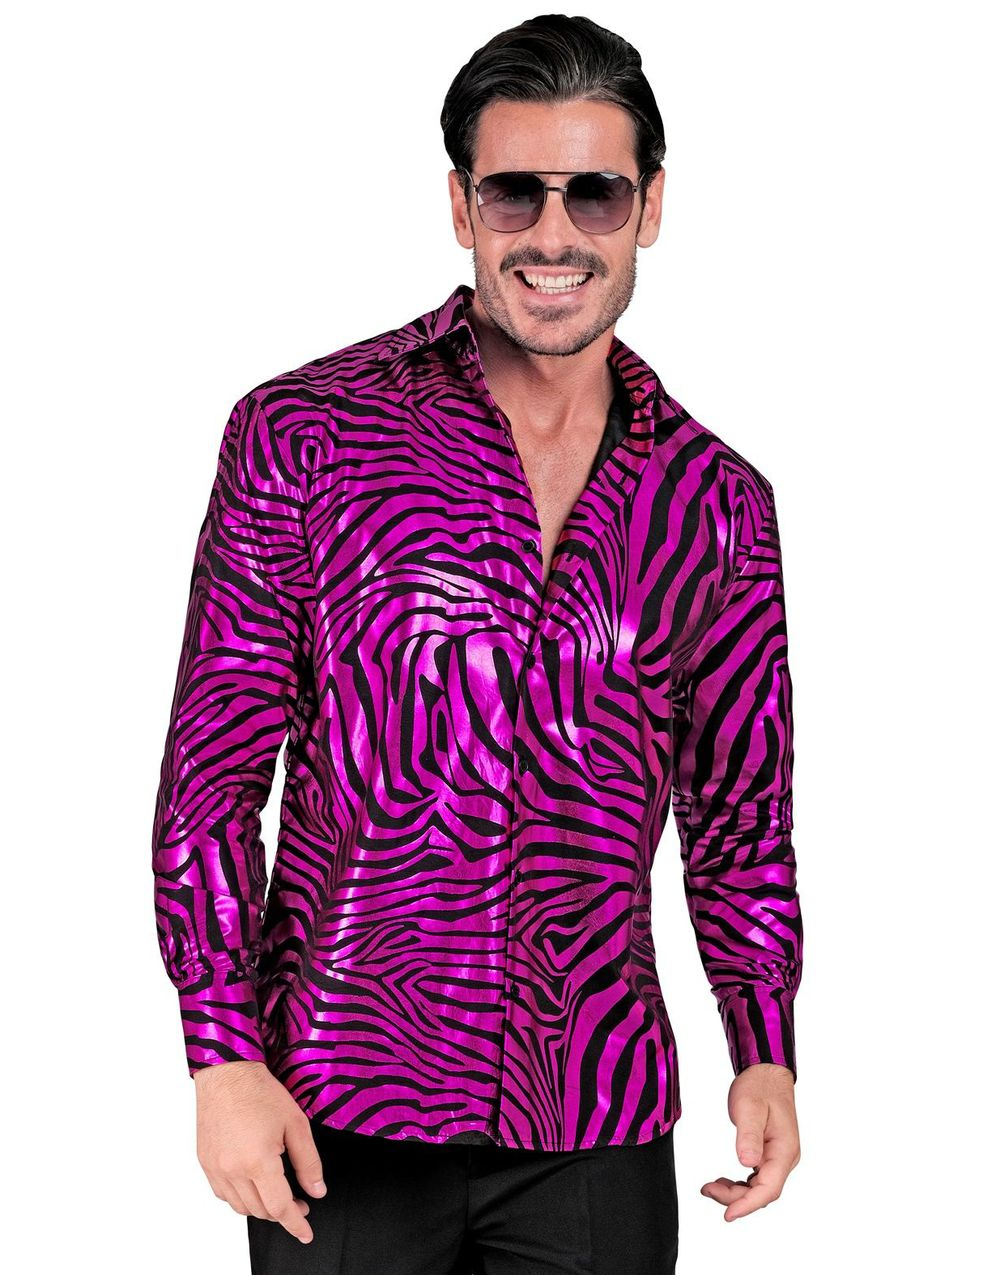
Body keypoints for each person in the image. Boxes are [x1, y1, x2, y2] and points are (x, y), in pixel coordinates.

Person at [151, 13, 803, 1273]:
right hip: (336, 1107)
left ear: (649, 207)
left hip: (597, 1116)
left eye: (594, 193)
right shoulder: (305, 435)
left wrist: (762, 1045)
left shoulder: (718, 502)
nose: (554, 234)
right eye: (515, 192)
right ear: (462, 207)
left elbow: (741, 813)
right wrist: (221, 1056)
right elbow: (211, 780)